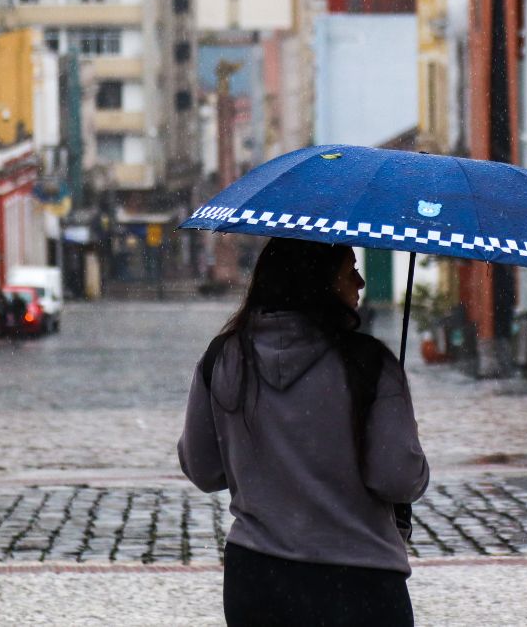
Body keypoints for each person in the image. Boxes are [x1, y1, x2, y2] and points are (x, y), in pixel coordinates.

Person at [178, 238, 429, 626]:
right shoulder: (370, 365)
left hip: (259, 579)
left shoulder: (224, 356)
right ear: (320, 284)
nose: (361, 282)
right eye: (350, 272)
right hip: (359, 579)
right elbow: (396, 477)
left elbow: (203, 468)